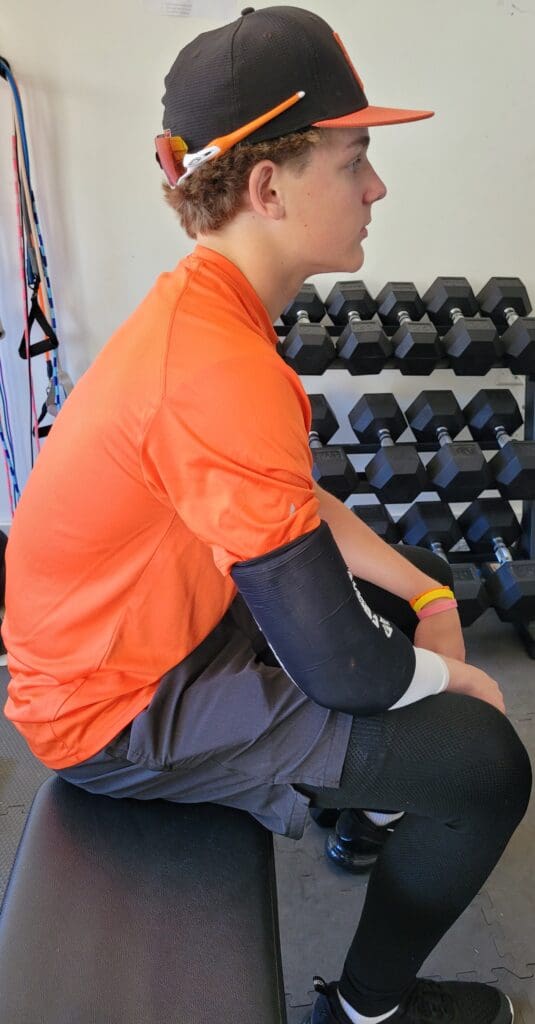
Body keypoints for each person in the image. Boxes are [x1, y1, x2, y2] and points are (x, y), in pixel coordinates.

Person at [2, 7, 531, 1024]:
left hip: (153, 627)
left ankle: (364, 809)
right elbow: (348, 672)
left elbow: (290, 499)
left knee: (394, 597)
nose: (376, 187)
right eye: (354, 158)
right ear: (266, 185)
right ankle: (367, 1011)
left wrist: (421, 585)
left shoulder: (212, 308)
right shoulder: (216, 362)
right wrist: (460, 680)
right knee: (480, 761)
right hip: (109, 710)